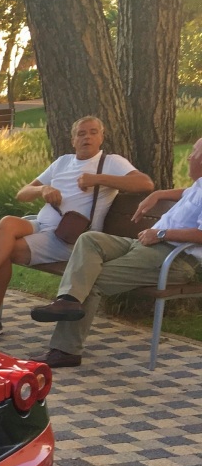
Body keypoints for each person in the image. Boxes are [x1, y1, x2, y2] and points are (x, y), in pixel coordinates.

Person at [0, 116, 151, 340]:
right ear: (73, 140)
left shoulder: (111, 161)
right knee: (7, 222)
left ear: (102, 137)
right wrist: (43, 190)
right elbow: (22, 193)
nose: (87, 137)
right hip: (41, 223)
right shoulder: (63, 162)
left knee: (4, 251)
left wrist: (98, 179)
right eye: (81, 133)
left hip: (68, 238)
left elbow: (145, 183)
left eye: (93, 132)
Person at [29, 136, 202, 368]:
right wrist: (159, 194)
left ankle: (65, 351)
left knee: (88, 280)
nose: (189, 156)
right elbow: (188, 194)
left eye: (194, 152)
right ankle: (68, 301)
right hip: (146, 245)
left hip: (172, 258)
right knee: (90, 239)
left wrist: (161, 234)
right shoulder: (199, 185)